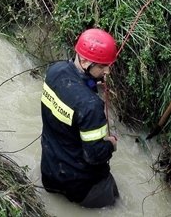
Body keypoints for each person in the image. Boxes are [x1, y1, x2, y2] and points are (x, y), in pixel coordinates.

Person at [40, 28, 120, 208]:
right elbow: (94, 156)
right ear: (84, 61)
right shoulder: (91, 106)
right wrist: (111, 144)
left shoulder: (54, 71)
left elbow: (72, 99)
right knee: (117, 205)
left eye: (109, 65)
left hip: (50, 173)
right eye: (102, 66)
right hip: (84, 188)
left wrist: (91, 83)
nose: (108, 71)